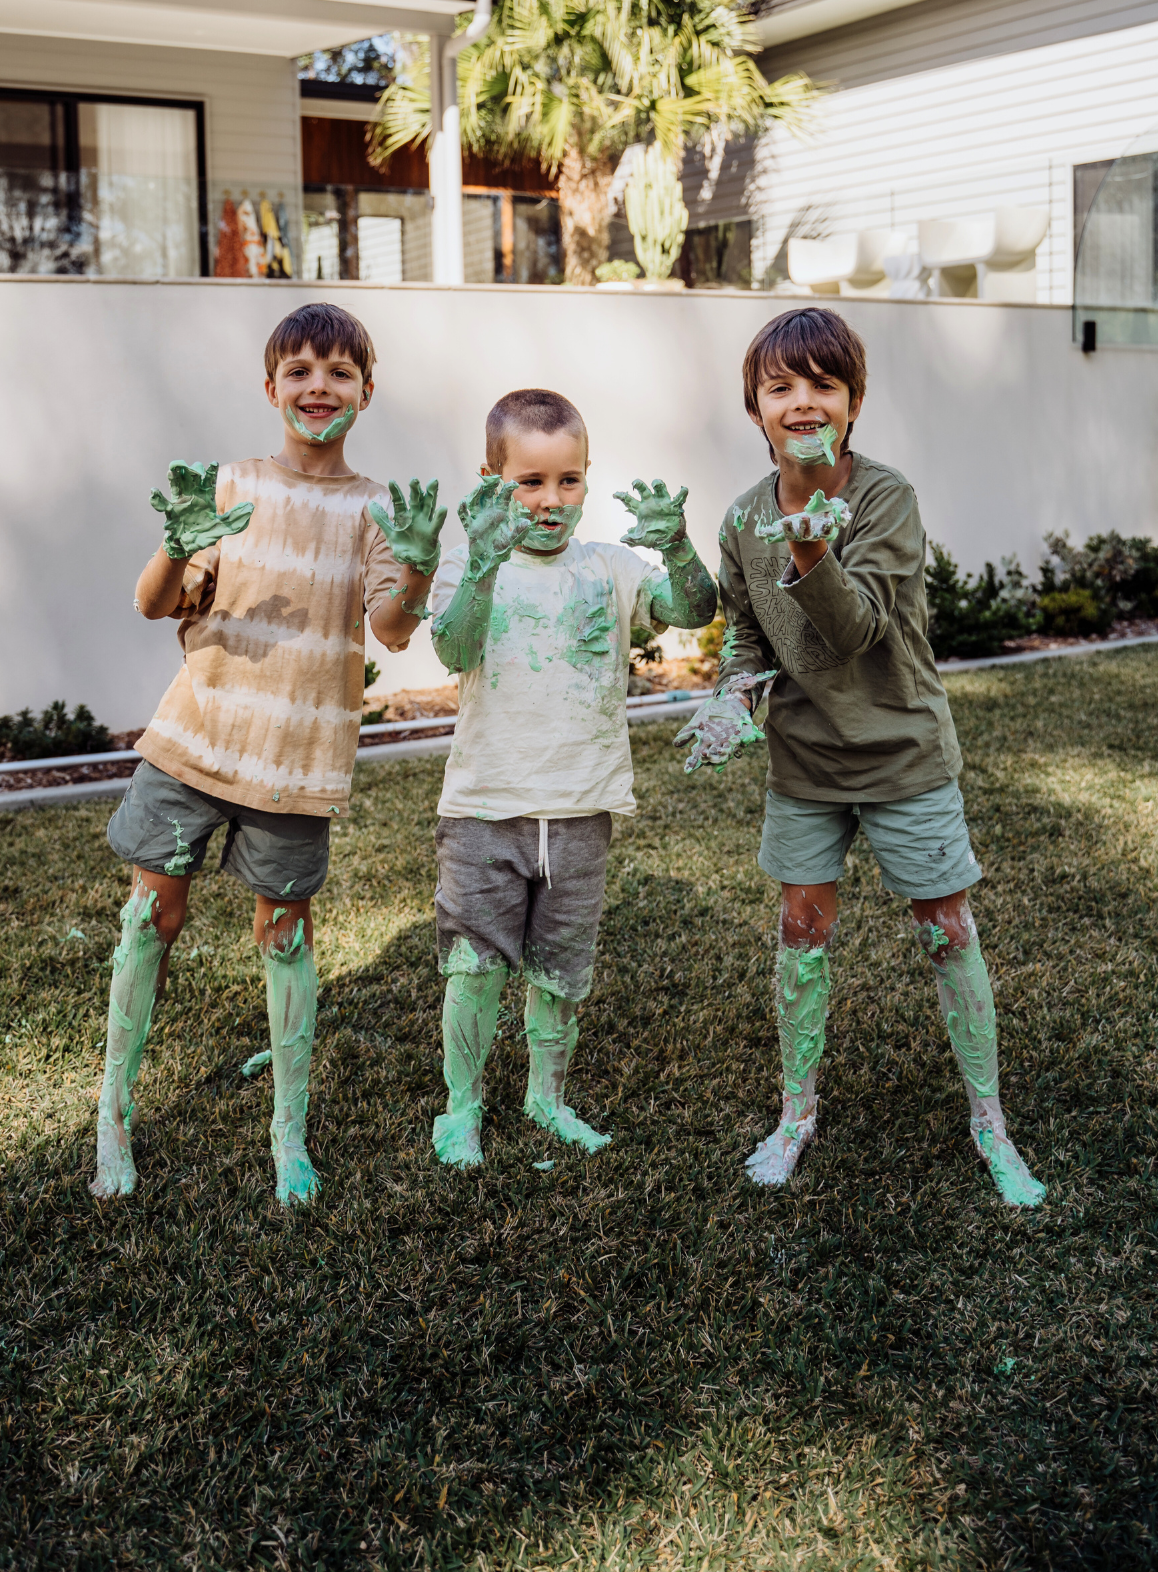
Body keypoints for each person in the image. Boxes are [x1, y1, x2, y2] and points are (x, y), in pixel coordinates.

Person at [677, 307, 1046, 1208]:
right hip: (805, 763)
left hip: (902, 752)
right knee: (800, 933)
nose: (803, 401)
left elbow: (856, 631)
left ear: (853, 402)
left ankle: (989, 1121)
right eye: (781, 387)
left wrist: (809, 549)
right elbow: (748, 642)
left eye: (823, 384)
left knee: (946, 931)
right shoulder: (739, 519)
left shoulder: (885, 498)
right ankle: (797, 1114)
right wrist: (732, 694)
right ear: (755, 408)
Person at [91, 301, 445, 1208]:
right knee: (148, 924)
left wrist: (418, 569)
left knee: (285, 937)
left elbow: (390, 631)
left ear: (368, 390)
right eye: (300, 371)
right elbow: (152, 602)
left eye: (337, 372)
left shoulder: (375, 509)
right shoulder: (229, 485)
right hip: (191, 744)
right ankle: (114, 1112)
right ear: (271, 387)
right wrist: (177, 547)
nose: (318, 387)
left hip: (296, 767)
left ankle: (288, 1131)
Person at [427, 387, 718, 1168]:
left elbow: (692, 608)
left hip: (583, 807)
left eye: (569, 481)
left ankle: (546, 1097)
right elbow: (452, 650)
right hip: (486, 807)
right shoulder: (467, 561)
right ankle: (462, 1108)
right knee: (475, 966)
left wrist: (680, 547)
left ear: (587, 479)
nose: (551, 502)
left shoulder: (611, 569)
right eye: (529, 482)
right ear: (492, 481)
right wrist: (485, 563)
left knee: (560, 970)